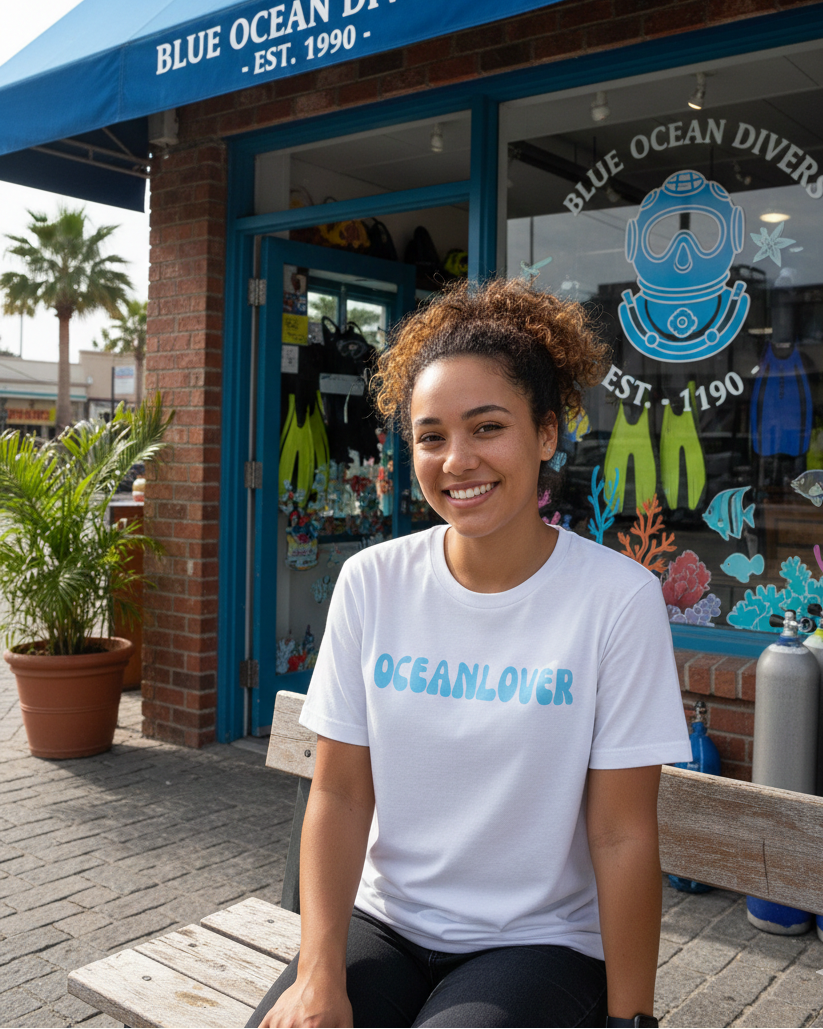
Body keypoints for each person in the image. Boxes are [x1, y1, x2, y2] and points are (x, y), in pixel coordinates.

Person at [249, 278, 691, 1029]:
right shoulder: (373, 582)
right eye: (430, 435)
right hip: (385, 921)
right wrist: (318, 973)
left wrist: (630, 1021)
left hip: (539, 943)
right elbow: (340, 794)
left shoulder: (614, 599)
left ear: (545, 433)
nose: (456, 459)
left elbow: (621, 832)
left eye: (486, 427)